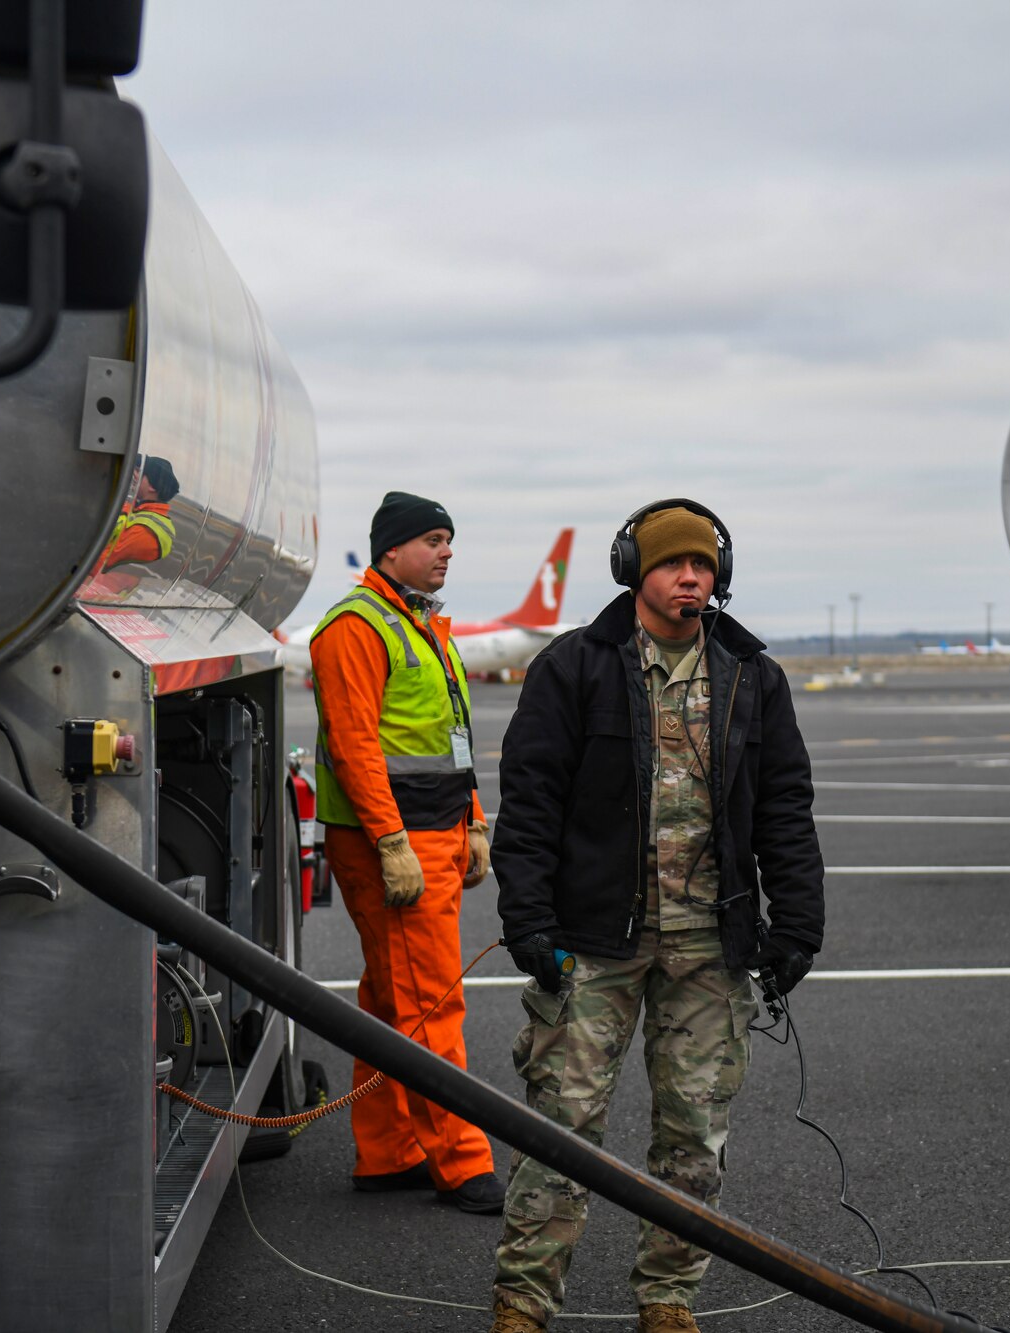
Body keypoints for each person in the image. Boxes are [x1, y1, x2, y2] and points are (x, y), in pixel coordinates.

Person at [486, 500, 825, 1332]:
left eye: (703, 566)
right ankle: (524, 1303)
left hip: (712, 945)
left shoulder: (752, 676)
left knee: (694, 1138)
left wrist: (798, 924)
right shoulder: (576, 667)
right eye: (674, 564)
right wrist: (528, 917)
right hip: (592, 941)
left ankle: (669, 1298)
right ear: (636, 571)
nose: (690, 578)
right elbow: (529, 801)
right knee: (560, 1131)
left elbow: (785, 807)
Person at [309, 491, 503, 1213]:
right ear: (390, 550)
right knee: (430, 1003)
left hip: (435, 831)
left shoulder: (421, 626)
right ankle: (461, 1160)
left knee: (394, 1000)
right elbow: (355, 745)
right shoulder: (357, 627)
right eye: (432, 539)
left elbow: (450, 738)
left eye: (450, 539)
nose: (446, 550)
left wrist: (474, 819)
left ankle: (390, 1149)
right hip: (395, 840)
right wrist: (392, 843)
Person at [99, 455, 178, 568]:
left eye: (139, 472)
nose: (134, 475)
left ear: (153, 486)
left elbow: (103, 560)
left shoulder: (148, 531)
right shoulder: (133, 508)